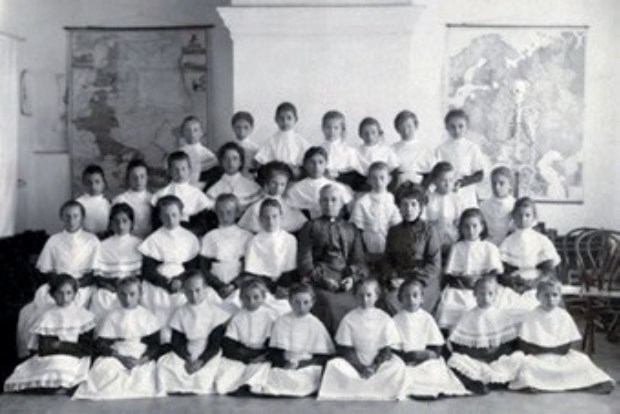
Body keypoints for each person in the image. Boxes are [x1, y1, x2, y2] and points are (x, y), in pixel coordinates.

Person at [16, 200, 100, 358]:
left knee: (72, 308)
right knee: (30, 312)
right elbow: (48, 270)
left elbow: (95, 272)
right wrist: (59, 282)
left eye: (75, 216)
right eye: (67, 216)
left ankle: (69, 348)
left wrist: (75, 284)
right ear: (62, 217)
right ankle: (42, 348)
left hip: (81, 286)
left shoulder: (91, 240)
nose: (71, 220)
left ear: (82, 217)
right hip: (58, 285)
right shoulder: (54, 240)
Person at [509, 278, 615, 394]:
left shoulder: (563, 315)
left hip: (559, 355)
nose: (551, 299)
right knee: (527, 365)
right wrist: (544, 350)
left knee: (582, 360)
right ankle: (536, 383)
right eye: (546, 295)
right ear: (537, 297)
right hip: (538, 357)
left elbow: (566, 347)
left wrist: (552, 350)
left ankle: (594, 382)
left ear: (560, 297)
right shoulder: (531, 315)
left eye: (555, 295)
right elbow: (525, 345)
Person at [73, 277, 164, 400]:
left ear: (140, 294)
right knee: (104, 369)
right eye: (123, 294)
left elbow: (155, 345)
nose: (127, 299)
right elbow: (101, 344)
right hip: (117, 353)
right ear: (117, 295)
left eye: (132, 294)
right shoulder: (112, 315)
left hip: (140, 354)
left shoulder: (147, 316)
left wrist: (141, 360)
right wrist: (120, 358)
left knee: (145, 374)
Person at [318, 278, 407, 401]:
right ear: (355, 296)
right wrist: (360, 367)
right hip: (355, 363)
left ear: (376, 296)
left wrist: (374, 366)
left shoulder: (384, 318)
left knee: (398, 366)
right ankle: (367, 386)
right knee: (333, 366)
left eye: (369, 295)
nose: (365, 299)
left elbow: (386, 349)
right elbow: (346, 349)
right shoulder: (349, 319)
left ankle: (369, 387)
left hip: (378, 364)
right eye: (361, 295)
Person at [5, 275, 95, 394]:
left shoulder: (84, 316)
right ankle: (52, 386)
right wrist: (63, 346)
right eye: (59, 293)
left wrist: (59, 345)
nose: (64, 298)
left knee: (61, 367)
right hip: (51, 356)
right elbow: (45, 348)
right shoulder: (47, 316)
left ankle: (61, 386)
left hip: (75, 357)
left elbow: (86, 347)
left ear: (75, 294)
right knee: (51, 365)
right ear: (52, 295)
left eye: (69, 293)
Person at [298, 184, 368, 334]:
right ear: (319, 202)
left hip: (345, 278)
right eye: (325, 200)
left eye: (334, 200)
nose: (329, 204)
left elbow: (359, 261)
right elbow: (305, 263)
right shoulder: (310, 227)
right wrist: (322, 281)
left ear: (341, 202)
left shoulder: (351, 228)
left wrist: (352, 279)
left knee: (361, 300)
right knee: (329, 303)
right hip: (319, 279)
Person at [436, 208, 519, 332]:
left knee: (502, 304)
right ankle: (458, 336)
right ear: (461, 228)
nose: (471, 230)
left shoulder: (490, 248)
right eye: (466, 226)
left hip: (486, 287)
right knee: (451, 304)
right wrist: (462, 280)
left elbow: (494, 274)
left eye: (474, 226)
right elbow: (452, 274)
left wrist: (481, 282)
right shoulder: (457, 248)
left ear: (482, 227)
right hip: (463, 289)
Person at [252, 283, 335, 397]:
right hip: (286, 363)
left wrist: (301, 364)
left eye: (306, 302)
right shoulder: (282, 321)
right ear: (290, 302)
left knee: (303, 378)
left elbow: (322, 356)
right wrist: (284, 362)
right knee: (271, 374)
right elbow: (275, 351)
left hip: (307, 365)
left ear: (312, 303)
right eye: (297, 302)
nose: (301, 307)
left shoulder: (316, 324)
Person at [139, 196, 203, 341]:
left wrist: (181, 280)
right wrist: (165, 283)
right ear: (160, 216)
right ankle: (161, 341)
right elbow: (148, 270)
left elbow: (193, 268)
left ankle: (180, 339)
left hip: (183, 281)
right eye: (166, 215)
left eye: (174, 215)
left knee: (183, 302)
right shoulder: (153, 238)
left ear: (181, 214)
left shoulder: (189, 238)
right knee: (157, 300)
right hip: (159, 282)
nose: (170, 219)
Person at [157, 270, 231, 395]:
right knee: (164, 366)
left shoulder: (215, 312)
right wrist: (187, 358)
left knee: (204, 377)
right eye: (189, 291)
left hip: (207, 352)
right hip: (187, 352)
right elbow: (177, 341)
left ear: (205, 289)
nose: (194, 296)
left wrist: (201, 361)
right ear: (184, 292)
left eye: (198, 290)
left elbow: (215, 344)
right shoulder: (180, 312)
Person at [392, 279, 469, 399]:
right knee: (397, 371)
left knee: (434, 369)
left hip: (425, 359)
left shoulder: (426, 318)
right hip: (406, 360)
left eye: (415, 295)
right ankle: (416, 390)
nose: (411, 300)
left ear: (421, 299)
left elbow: (436, 346)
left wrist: (428, 354)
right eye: (406, 296)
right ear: (400, 299)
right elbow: (393, 348)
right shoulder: (396, 320)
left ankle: (428, 390)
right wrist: (407, 357)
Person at [447, 276, 522, 395]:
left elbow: (510, 343)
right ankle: (475, 383)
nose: (486, 298)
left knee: (518, 357)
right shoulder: (468, 317)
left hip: (497, 360)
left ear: (495, 295)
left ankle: (496, 381)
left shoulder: (501, 316)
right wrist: (478, 354)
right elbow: (458, 346)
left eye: (490, 294)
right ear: (475, 294)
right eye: (481, 294)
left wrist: (496, 353)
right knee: (455, 360)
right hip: (476, 360)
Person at [381, 183, 441, 315]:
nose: (409, 209)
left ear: (420, 207)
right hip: (399, 279)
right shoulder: (394, 231)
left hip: (424, 280)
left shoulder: (430, 230)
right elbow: (387, 260)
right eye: (404, 204)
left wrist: (412, 279)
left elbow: (434, 265)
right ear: (399, 207)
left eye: (413, 204)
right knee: (389, 299)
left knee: (413, 300)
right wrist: (392, 277)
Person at [499, 197, 561, 317]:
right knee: (504, 307)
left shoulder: (541, 240)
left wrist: (535, 283)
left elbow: (549, 271)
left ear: (534, 217)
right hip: (514, 284)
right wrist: (511, 281)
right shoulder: (507, 241)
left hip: (537, 282)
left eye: (527, 215)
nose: (523, 219)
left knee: (535, 307)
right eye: (519, 215)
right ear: (513, 217)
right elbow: (502, 270)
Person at [213, 278, 275, 395]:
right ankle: (237, 386)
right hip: (242, 353)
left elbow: (272, 343)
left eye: (256, 297)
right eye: (247, 297)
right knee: (226, 369)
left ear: (263, 298)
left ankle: (248, 386)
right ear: (241, 298)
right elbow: (229, 343)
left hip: (262, 354)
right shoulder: (238, 317)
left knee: (262, 368)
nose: (251, 301)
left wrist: (263, 356)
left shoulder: (269, 317)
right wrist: (244, 358)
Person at [244, 199, 297, 316]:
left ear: (281, 217)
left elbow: (290, 270)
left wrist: (282, 288)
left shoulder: (290, 240)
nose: (270, 221)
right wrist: (267, 289)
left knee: (285, 308)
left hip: (283, 286)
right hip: (261, 287)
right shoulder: (254, 242)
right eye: (266, 217)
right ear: (260, 219)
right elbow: (253, 273)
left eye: (274, 216)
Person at [90, 203, 143, 321]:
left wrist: (127, 286)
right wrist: (110, 284)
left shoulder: (140, 244)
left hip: (132, 289)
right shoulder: (102, 245)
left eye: (125, 221)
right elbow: (97, 275)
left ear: (131, 223)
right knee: (103, 299)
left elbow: (141, 274)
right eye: (116, 221)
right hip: (110, 289)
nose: (120, 225)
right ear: (111, 224)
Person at [200, 194, 253, 309]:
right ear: (216, 212)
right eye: (220, 212)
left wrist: (234, 285)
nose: (224, 216)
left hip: (238, 281)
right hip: (215, 281)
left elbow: (250, 268)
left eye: (229, 212)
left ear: (237, 213)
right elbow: (204, 267)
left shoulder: (247, 236)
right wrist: (218, 285)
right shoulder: (210, 236)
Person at [435, 109, 488, 209]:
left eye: (461, 126)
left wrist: (462, 183)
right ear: (446, 127)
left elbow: (480, 174)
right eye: (452, 127)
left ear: (467, 127)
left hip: (466, 193)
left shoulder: (472, 148)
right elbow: (436, 173)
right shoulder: (441, 149)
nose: (457, 131)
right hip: (447, 192)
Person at [151, 151, 213, 235]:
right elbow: (156, 222)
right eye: (176, 169)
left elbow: (202, 223)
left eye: (183, 169)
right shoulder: (161, 194)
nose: (180, 173)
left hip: (191, 231)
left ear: (189, 170)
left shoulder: (197, 194)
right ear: (169, 171)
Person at [350, 162, 401, 262]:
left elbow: (397, 224)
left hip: (389, 243)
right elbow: (356, 228)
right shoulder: (363, 201)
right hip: (369, 243)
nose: (378, 182)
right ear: (368, 180)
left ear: (389, 179)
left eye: (382, 178)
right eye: (374, 178)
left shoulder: (392, 199)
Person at [238, 161, 307, 234]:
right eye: (274, 183)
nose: (278, 188)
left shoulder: (288, 204)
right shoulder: (257, 206)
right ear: (266, 182)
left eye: (282, 184)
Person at [285, 146, 353, 219]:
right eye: (312, 162)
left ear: (326, 164)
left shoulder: (336, 187)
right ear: (305, 164)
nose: (316, 166)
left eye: (320, 162)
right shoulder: (296, 189)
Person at [254, 102, 309, 178]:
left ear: (295, 119)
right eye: (281, 118)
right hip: (276, 175)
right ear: (276, 120)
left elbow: (309, 159)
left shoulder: (300, 141)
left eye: (289, 118)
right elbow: (260, 159)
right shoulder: (272, 140)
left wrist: (298, 170)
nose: (285, 122)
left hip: (295, 175)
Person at [344, 118, 399, 192]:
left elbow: (394, 173)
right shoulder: (355, 152)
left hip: (384, 187)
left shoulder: (387, 150)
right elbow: (352, 175)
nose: (370, 136)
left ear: (379, 133)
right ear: (360, 134)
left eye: (373, 132)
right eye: (366, 133)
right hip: (362, 186)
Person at [206, 142, 262, 212]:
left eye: (235, 158)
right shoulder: (213, 191)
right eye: (226, 159)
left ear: (241, 162)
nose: (230, 163)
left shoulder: (253, 187)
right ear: (221, 162)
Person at [426, 162, 462, 259]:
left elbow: (459, 222)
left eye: (451, 180)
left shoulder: (456, 199)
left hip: (453, 241)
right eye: (443, 180)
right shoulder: (428, 199)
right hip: (433, 243)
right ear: (434, 181)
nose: (447, 184)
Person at [391, 110, 437, 186]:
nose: (406, 131)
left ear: (416, 126)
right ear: (397, 129)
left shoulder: (426, 149)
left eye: (409, 126)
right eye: (402, 127)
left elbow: (434, 172)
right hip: (398, 187)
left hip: (422, 186)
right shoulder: (391, 149)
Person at [112, 159, 153, 238]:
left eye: (142, 176)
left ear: (147, 177)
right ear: (128, 178)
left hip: (149, 239)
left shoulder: (153, 199)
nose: (138, 180)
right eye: (134, 177)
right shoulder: (119, 200)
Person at [177, 115, 217, 188]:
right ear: (182, 133)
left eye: (195, 130)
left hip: (199, 186)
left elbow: (212, 168)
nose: (192, 134)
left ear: (201, 133)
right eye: (187, 130)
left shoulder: (206, 153)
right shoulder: (179, 152)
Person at [480, 166, 516, 246]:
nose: (497, 187)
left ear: (510, 185)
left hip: (510, 245)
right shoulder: (484, 206)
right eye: (494, 183)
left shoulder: (515, 205)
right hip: (488, 245)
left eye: (501, 183)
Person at [319, 110, 357, 180]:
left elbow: (352, 174)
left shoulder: (350, 151)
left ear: (342, 130)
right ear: (323, 128)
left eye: (336, 128)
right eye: (328, 127)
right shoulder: (318, 150)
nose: (332, 131)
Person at [76, 164, 111, 237]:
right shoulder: (78, 203)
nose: (93, 186)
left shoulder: (108, 203)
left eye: (97, 182)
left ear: (103, 183)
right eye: (89, 182)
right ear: (83, 183)